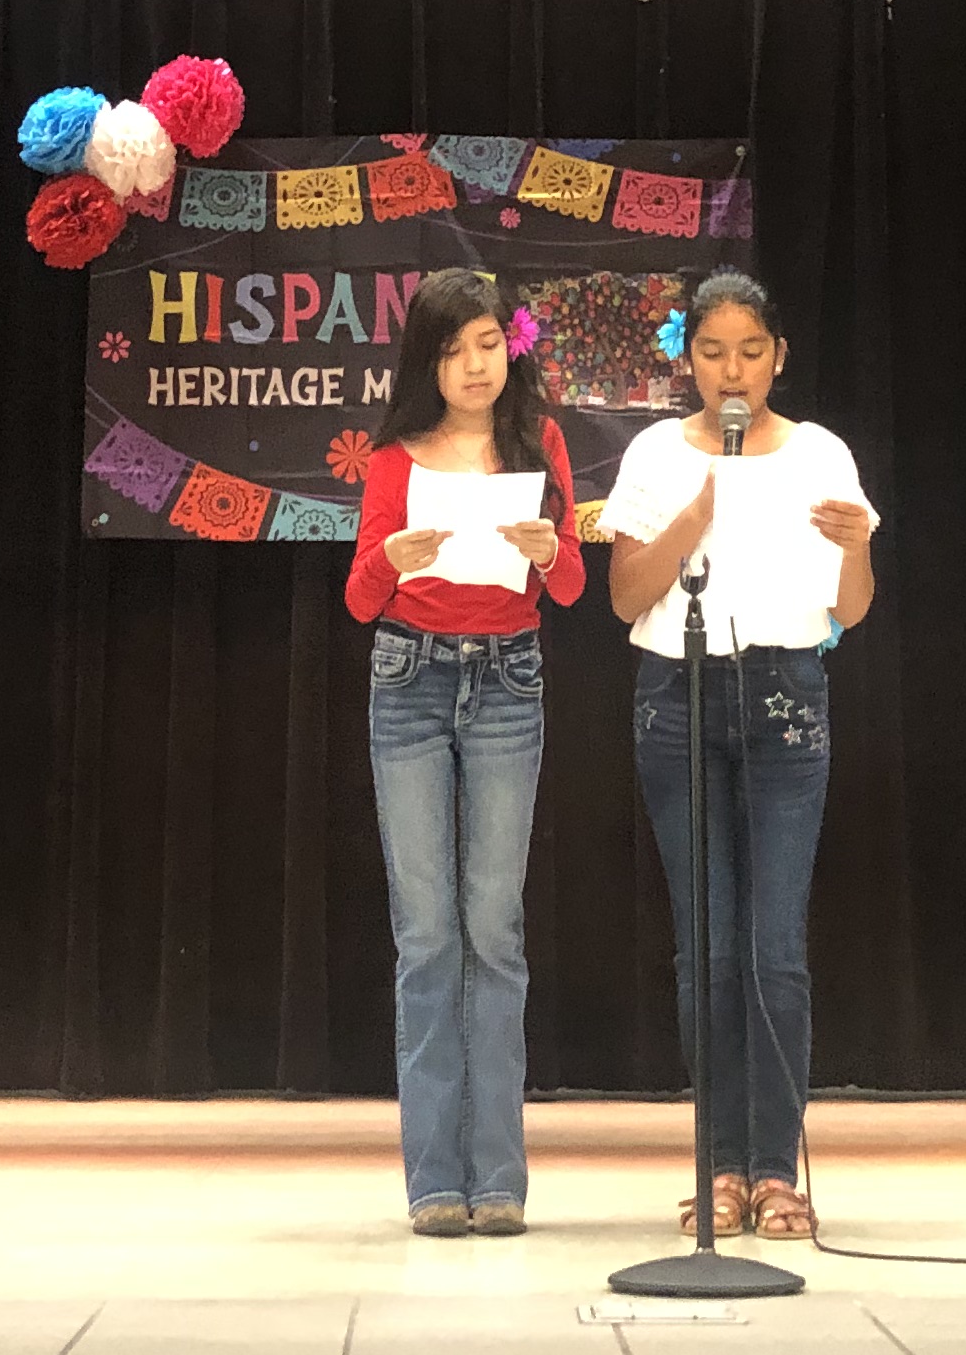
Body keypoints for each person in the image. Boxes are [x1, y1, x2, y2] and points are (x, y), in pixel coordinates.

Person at [602, 271, 876, 1241]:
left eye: (750, 353)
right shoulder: (651, 452)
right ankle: (717, 1167)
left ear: (778, 358)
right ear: (689, 360)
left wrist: (855, 548)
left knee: (773, 947)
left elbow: (850, 608)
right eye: (713, 353)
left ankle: (775, 1170)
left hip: (784, 698)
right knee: (706, 946)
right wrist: (690, 520)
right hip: (675, 698)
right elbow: (626, 597)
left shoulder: (821, 453)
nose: (732, 371)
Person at [341, 269, 585, 1236]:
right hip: (409, 681)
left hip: (509, 684)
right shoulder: (397, 459)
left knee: (496, 932)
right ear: (427, 363)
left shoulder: (542, 445)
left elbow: (565, 590)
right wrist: (389, 560)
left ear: (509, 347)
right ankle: (433, 1178)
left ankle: (502, 1179)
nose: (474, 365)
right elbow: (361, 599)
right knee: (428, 935)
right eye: (452, 350)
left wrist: (546, 549)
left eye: (487, 343)